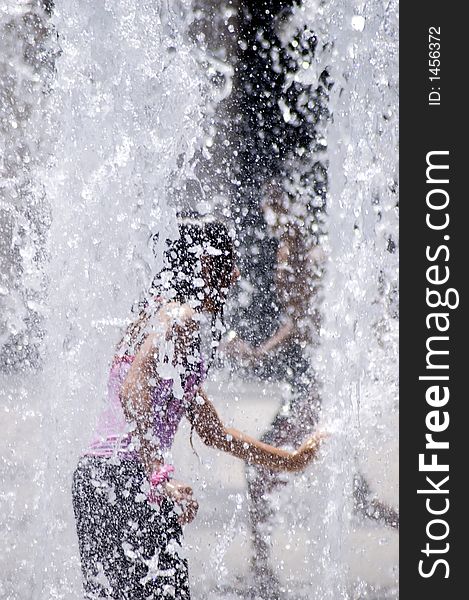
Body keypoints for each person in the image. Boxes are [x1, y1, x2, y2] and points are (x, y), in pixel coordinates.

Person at [71, 219, 326, 600]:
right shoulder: (181, 320)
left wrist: (289, 461)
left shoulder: (153, 319)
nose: (238, 271)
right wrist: (157, 474)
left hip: (94, 481)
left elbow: (213, 432)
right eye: (230, 260)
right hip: (130, 482)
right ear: (207, 265)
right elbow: (133, 387)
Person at [226, 182, 398, 595]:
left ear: (287, 207)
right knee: (357, 498)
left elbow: (314, 317)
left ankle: (263, 569)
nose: (271, 216)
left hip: (317, 388)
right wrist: (261, 351)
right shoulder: (294, 252)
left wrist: (261, 352)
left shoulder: (302, 253)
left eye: (276, 208)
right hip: (315, 385)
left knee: (262, 464)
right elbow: (301, 320)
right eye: (269, 208)